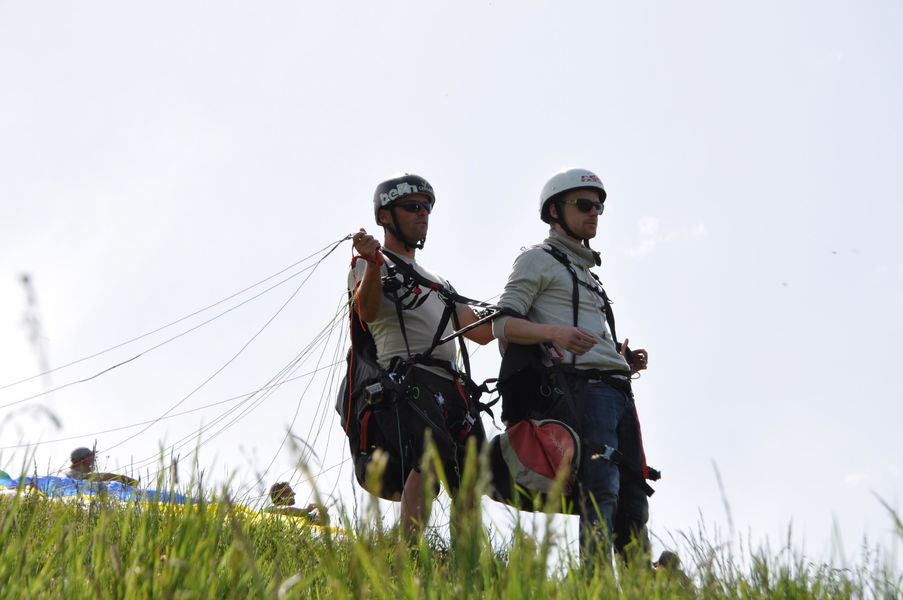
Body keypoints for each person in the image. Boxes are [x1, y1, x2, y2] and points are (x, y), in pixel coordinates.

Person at [491, 167, 655, 562]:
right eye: (584, 205)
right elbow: (501, 322)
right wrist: (554, 334)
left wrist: (619, 356)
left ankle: (638, 587)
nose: (594, 213)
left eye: (598, 206)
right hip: (581, 389)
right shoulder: (537, 259)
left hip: (618, 391)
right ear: (554, 211)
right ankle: (595, 584)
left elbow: (581, 330)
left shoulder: (590, 276)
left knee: (634, 499)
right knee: (602, 487)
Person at [350, 173, 493, 537]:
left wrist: (522, 312)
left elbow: (479, 332)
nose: (422, 215)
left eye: (427, 208)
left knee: (471, 475)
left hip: (453, 383)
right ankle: (409, 553)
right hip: (408, 376)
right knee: (428, 457)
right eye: (412, 207)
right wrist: (373, 263)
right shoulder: (368, 264)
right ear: (385, 217)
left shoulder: (439, 281)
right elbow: (366, 312)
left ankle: (468, 563)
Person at [67, 446, 138, 486]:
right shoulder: (72, 475)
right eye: (91, 459)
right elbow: (96, 477)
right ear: (83, 460)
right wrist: (121, 479)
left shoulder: (77, 475)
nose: (93, 461)